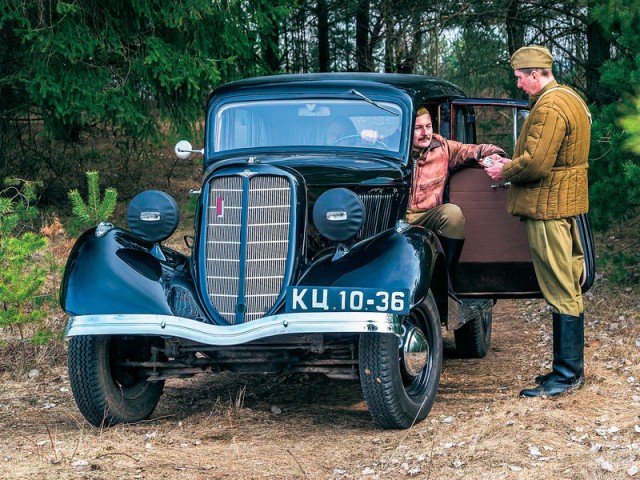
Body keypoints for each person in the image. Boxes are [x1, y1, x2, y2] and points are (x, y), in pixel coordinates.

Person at [485, 45, 591, 398]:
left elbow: (535, 163)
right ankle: (567, 370)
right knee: (568, 284)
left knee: (560, 286)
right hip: (562, 204)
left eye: (519, 77)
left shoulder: (549, 107)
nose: (517, 84)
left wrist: (504, 170)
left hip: (548, 208)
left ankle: (566, 374)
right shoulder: (569, 97)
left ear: (535, 74)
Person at [407, 107, 507, 273]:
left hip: (427, 215)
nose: (425, 132)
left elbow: (477, 149)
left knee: (452, 213)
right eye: (418, 128)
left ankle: (447, 277)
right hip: (395, 216)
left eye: (429, 126)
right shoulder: (392, 148)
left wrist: (496, 154)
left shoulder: (443, 148)